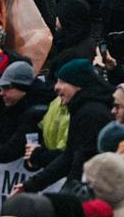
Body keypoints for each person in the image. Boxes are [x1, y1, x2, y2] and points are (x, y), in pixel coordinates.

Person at [20, 59, 113, 195]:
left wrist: (70, 194)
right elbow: (69, 156)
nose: (56, 87)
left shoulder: (91, 114)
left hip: (93, 190)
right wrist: (30, 185)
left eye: (63, 82)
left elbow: (78, 160)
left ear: (78, 85)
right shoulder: (81, 108)